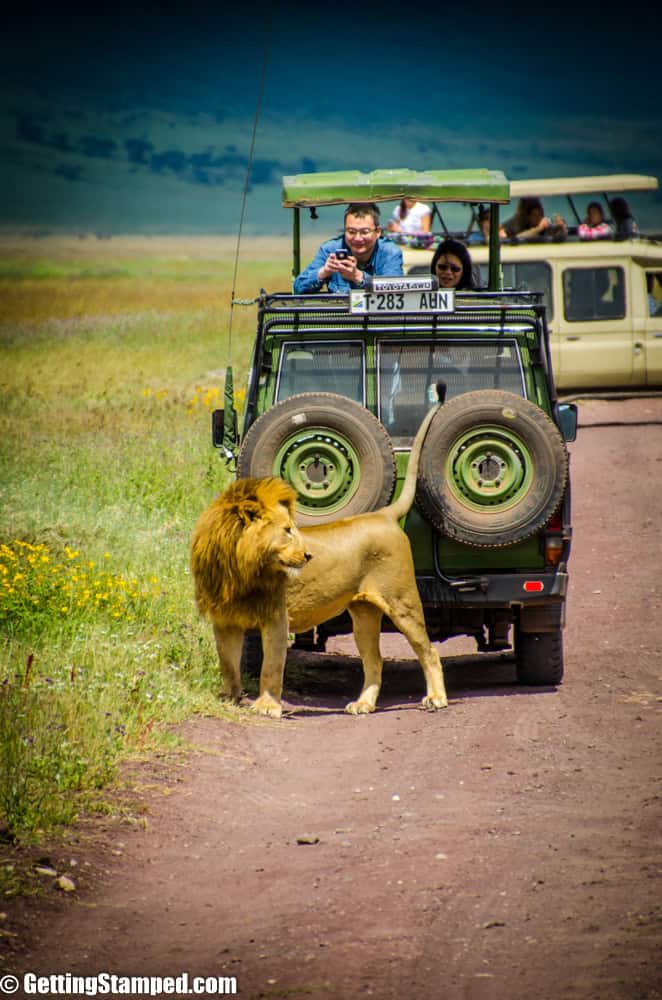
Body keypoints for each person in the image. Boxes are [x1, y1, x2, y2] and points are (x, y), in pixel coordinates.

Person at [293, 203, 403, 293]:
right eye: (351, 232)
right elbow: (298, 288)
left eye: (364, 232)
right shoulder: (330, 250)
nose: (358, 238)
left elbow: (395, 290)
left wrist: (358, 277)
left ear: (378, 232)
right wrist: (324, 272)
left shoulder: (390, 252)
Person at [501, 196, 567, 242]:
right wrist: (538, 229)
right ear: (527, 216)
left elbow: (558, 237)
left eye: (540, 214)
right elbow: (516, 239)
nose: (539, 218)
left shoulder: (545, 225)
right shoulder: (512, 225)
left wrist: (562, 229)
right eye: (535, 215)